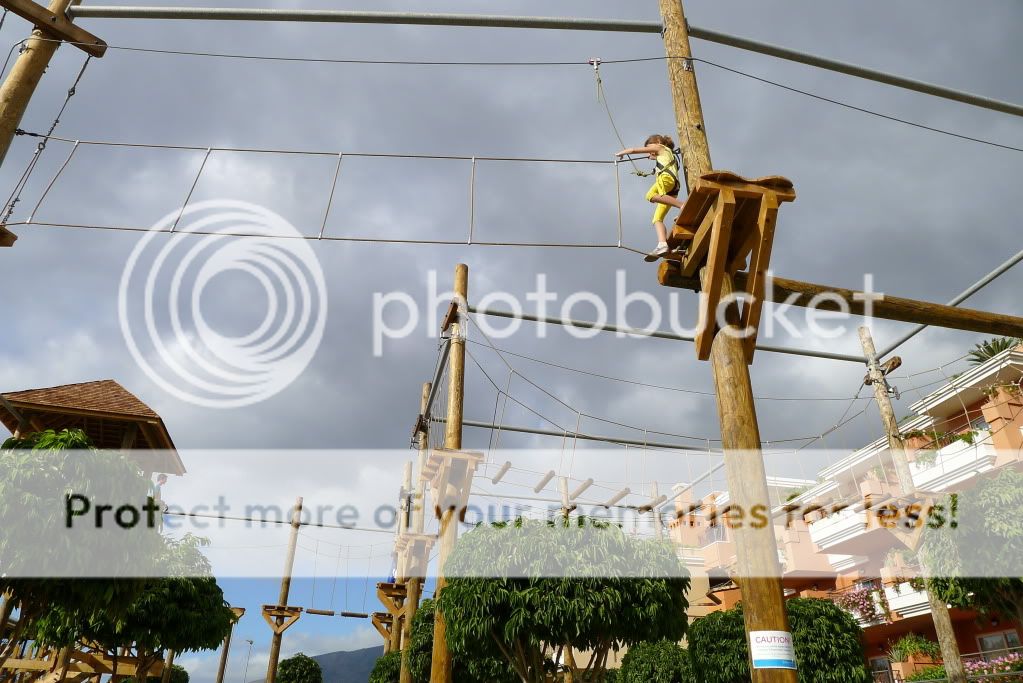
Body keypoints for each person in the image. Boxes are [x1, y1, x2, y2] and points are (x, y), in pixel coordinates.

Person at [616, 135, 687, 261]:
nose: (649, 151)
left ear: (658, 142)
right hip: (672, 187)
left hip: (665, 180)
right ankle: (663, 244)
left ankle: (682, 205)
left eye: (649, 148)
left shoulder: (660, 147)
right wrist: (652, 156)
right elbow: (658, 157)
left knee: (649, 195)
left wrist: (623, 152)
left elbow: (634, 150)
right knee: (657, 219)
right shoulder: (667, 153)